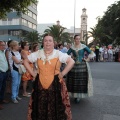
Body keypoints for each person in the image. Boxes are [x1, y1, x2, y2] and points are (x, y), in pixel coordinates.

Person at [23, 34, 74, 120]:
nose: (48, 43)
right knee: (40, 106)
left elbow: (71, 61)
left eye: (50, 41)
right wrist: (33, 73)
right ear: (43, 42)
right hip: (40, 84)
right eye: (46, 40)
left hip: (55, 84)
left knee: (54, 106)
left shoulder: (58, 54)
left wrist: (62, 73)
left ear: (53, 43)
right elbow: (25, 61)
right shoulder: (38, 54)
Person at [67, 35, 93, 103]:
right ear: (74, 40)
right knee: (74, 80)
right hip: (74, 66)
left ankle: (79, 96)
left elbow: (91, 53)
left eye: (79, 39)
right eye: (76, 39)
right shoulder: (72, 47)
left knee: (81, 80)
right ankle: (75, 95)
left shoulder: (83, 46)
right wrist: (70, 58)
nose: (77, 40)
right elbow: (66, 54)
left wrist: (87, 59)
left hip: (82, 65)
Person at [0, 41, 9, 110]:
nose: (4, 46)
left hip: (5, 72)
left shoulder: (3, 52)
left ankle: (1, 99)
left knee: (3, 87)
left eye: (4, 45)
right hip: (0, 73)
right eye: (2, 45)